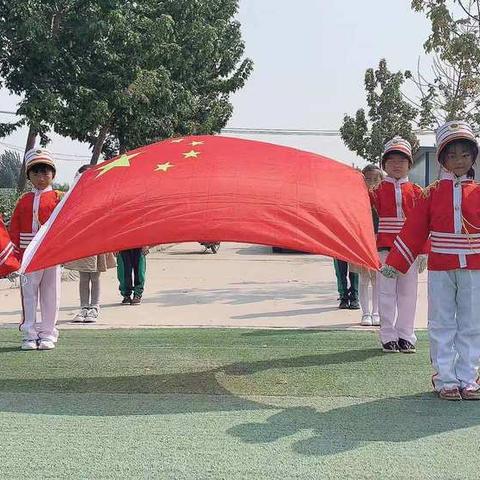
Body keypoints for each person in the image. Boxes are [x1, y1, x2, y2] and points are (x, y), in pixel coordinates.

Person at [382, 121, 480, 400]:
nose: (459, 161)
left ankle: (469, 377)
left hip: (474, 267)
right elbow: (414, 229)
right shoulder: (432, 193)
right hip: (441, 267)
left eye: (464, 154)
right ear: (442, 159)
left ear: (473, 156)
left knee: (473, 322)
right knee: (441, 321)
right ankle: (445, 378)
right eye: (452, 155)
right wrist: (396, 262)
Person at [370, 136, 427, 353]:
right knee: (385, 292)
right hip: (385, 246)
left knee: (408, 293)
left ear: (409, 164)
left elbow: (424, 223)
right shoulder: (376, 191)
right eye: (391, 160)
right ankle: (387, 336)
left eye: (402, 161)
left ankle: (406, 335)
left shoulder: (418, 192)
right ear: (383, 165)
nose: (396, 165)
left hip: (409, 249)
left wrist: (424, 251)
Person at [9, 148, 63, 350]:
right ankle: (29, 334)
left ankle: (48, 333)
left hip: (51, 254)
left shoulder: (59, 198)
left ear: (53, 174)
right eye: (36, 172)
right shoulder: (23, 201)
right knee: (28, 294)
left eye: (45, 172)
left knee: (51, 293)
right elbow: (13, 229)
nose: (41, 177)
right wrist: (14, 257)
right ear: (29, 176)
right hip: (27, 256)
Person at [63, 165, 116, 323]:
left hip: (97, 241)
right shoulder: (75, 199)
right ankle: (84, 307)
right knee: (83, 276)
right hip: (82, 242)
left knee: (95, 276)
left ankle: (94, 307)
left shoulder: (102, 197)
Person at [356, 164, 383, 326]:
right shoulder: (358, 197)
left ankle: (376, 312)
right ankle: (365, 313)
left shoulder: (384, 196)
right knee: (364, 278)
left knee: (377, 278)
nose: (372, 182)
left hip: (380, 240)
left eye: (376, 179)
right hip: (362, 240)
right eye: (368, 179)